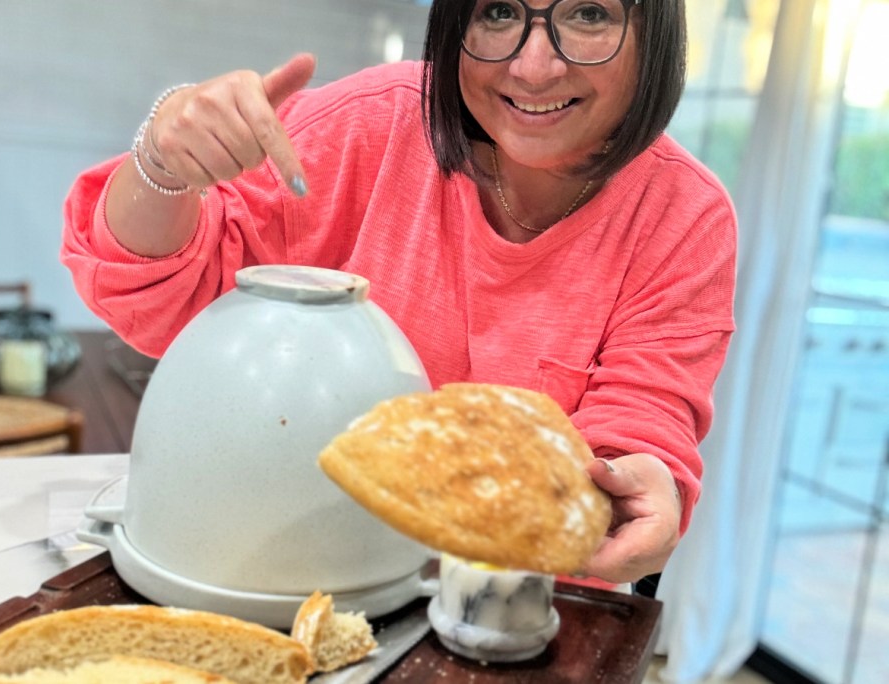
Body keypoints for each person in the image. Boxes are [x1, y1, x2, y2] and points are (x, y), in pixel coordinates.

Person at [61, 0, 736, 590]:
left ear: (657, 32)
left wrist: (638, 488)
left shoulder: (684, 215)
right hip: (289, 567)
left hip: (510, 614)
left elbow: (641, 423)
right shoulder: (369, 126)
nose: (533, 68)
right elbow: (152, 295)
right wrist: (163, 162)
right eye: (498, 11)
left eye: (590, 14)